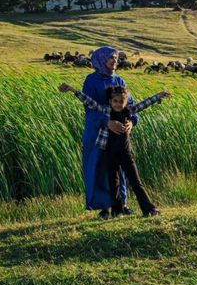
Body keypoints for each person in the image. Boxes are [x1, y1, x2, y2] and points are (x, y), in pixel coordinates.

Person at [59, 83, 171, 218]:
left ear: (126, 102)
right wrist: (72, 90)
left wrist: (158, 96)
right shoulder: (106, 111)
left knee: (136, 182)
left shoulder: (129, 111)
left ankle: (149, 209)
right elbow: (88, 101)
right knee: (113, 183)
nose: (118, 104)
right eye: (115, 101)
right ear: (110, 101)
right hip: (109, 154)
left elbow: (144, 104)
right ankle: (117, 211)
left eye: (121, 101)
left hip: (125, 154)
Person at [75, 46, 137, 218]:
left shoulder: (120, 81)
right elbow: (90, 108)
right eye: (111, 58)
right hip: (97, 133)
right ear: (101, 59)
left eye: (116, 58)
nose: (115, 60)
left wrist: (131, 122)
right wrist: (107, 122)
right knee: (101, 167)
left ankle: (121, 204)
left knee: (120, 169)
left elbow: (130, 106)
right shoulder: (91, 81)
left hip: (118, 134)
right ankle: (105, 207)